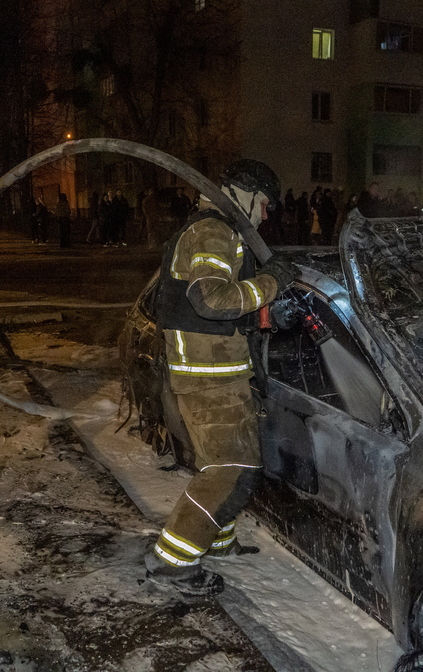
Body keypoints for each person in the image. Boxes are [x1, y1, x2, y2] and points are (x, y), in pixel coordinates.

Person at [145, 159, 297, 596]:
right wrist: (268, 284)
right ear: (245, 194)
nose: (265, 216)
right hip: (208, 375)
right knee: (231, 469)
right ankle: (172, 562)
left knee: (235, 462)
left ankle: (218, 541)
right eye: (264, 205)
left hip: (219, 371)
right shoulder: (214, 231)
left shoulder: (217, 230)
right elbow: (210, 299)